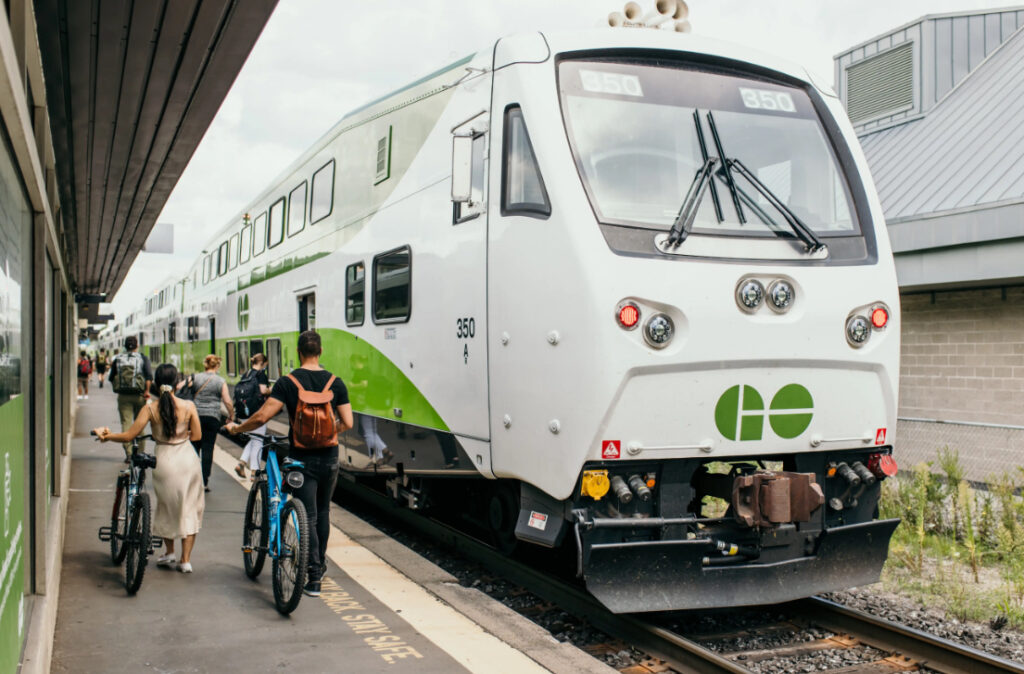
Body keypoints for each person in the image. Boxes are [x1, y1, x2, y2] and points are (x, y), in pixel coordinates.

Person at [226, 330, 353, 597]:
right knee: (322, 513)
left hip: (301, 459)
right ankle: (319, 566)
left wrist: (238, 429)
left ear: (298, 352)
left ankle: (314, 577)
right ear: (320, 352)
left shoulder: (288, 382)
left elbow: (262, 417)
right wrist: (328, 433)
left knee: (306, 514)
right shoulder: (336, 383)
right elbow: (348, 423)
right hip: (330, 457)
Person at [93, 363, 204, 572]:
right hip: (187, 459)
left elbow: (129, 436)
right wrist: (182, 436)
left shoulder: (151, 408)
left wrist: (107, 437)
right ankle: (185, 560)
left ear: (156, 382)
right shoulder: (189, 406)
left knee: (167, 507)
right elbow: (197, 436)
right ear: (176, 382)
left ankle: (169, 552)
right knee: (189, 508)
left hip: (164, 460)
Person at [191, 354, 233, 492]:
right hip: (212, 418)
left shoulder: (196, 377)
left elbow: (181, 387)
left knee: (194, 448)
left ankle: (193, 480)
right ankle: (204, 481)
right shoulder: (220, 381)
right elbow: (227, 400)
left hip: (195, 417)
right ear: (217, 366)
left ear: (205, 364)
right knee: (208, 449)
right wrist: (231, 415)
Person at [234, 353, 271, 479]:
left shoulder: (246, 374)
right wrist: (271, 390)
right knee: (258, 440)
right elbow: (263, 391)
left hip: (245, 412)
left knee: (254, 438)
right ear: (262, 363)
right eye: (265, 365)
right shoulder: (260, 375)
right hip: (257, 412)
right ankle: (254, 471)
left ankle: (241, 463)